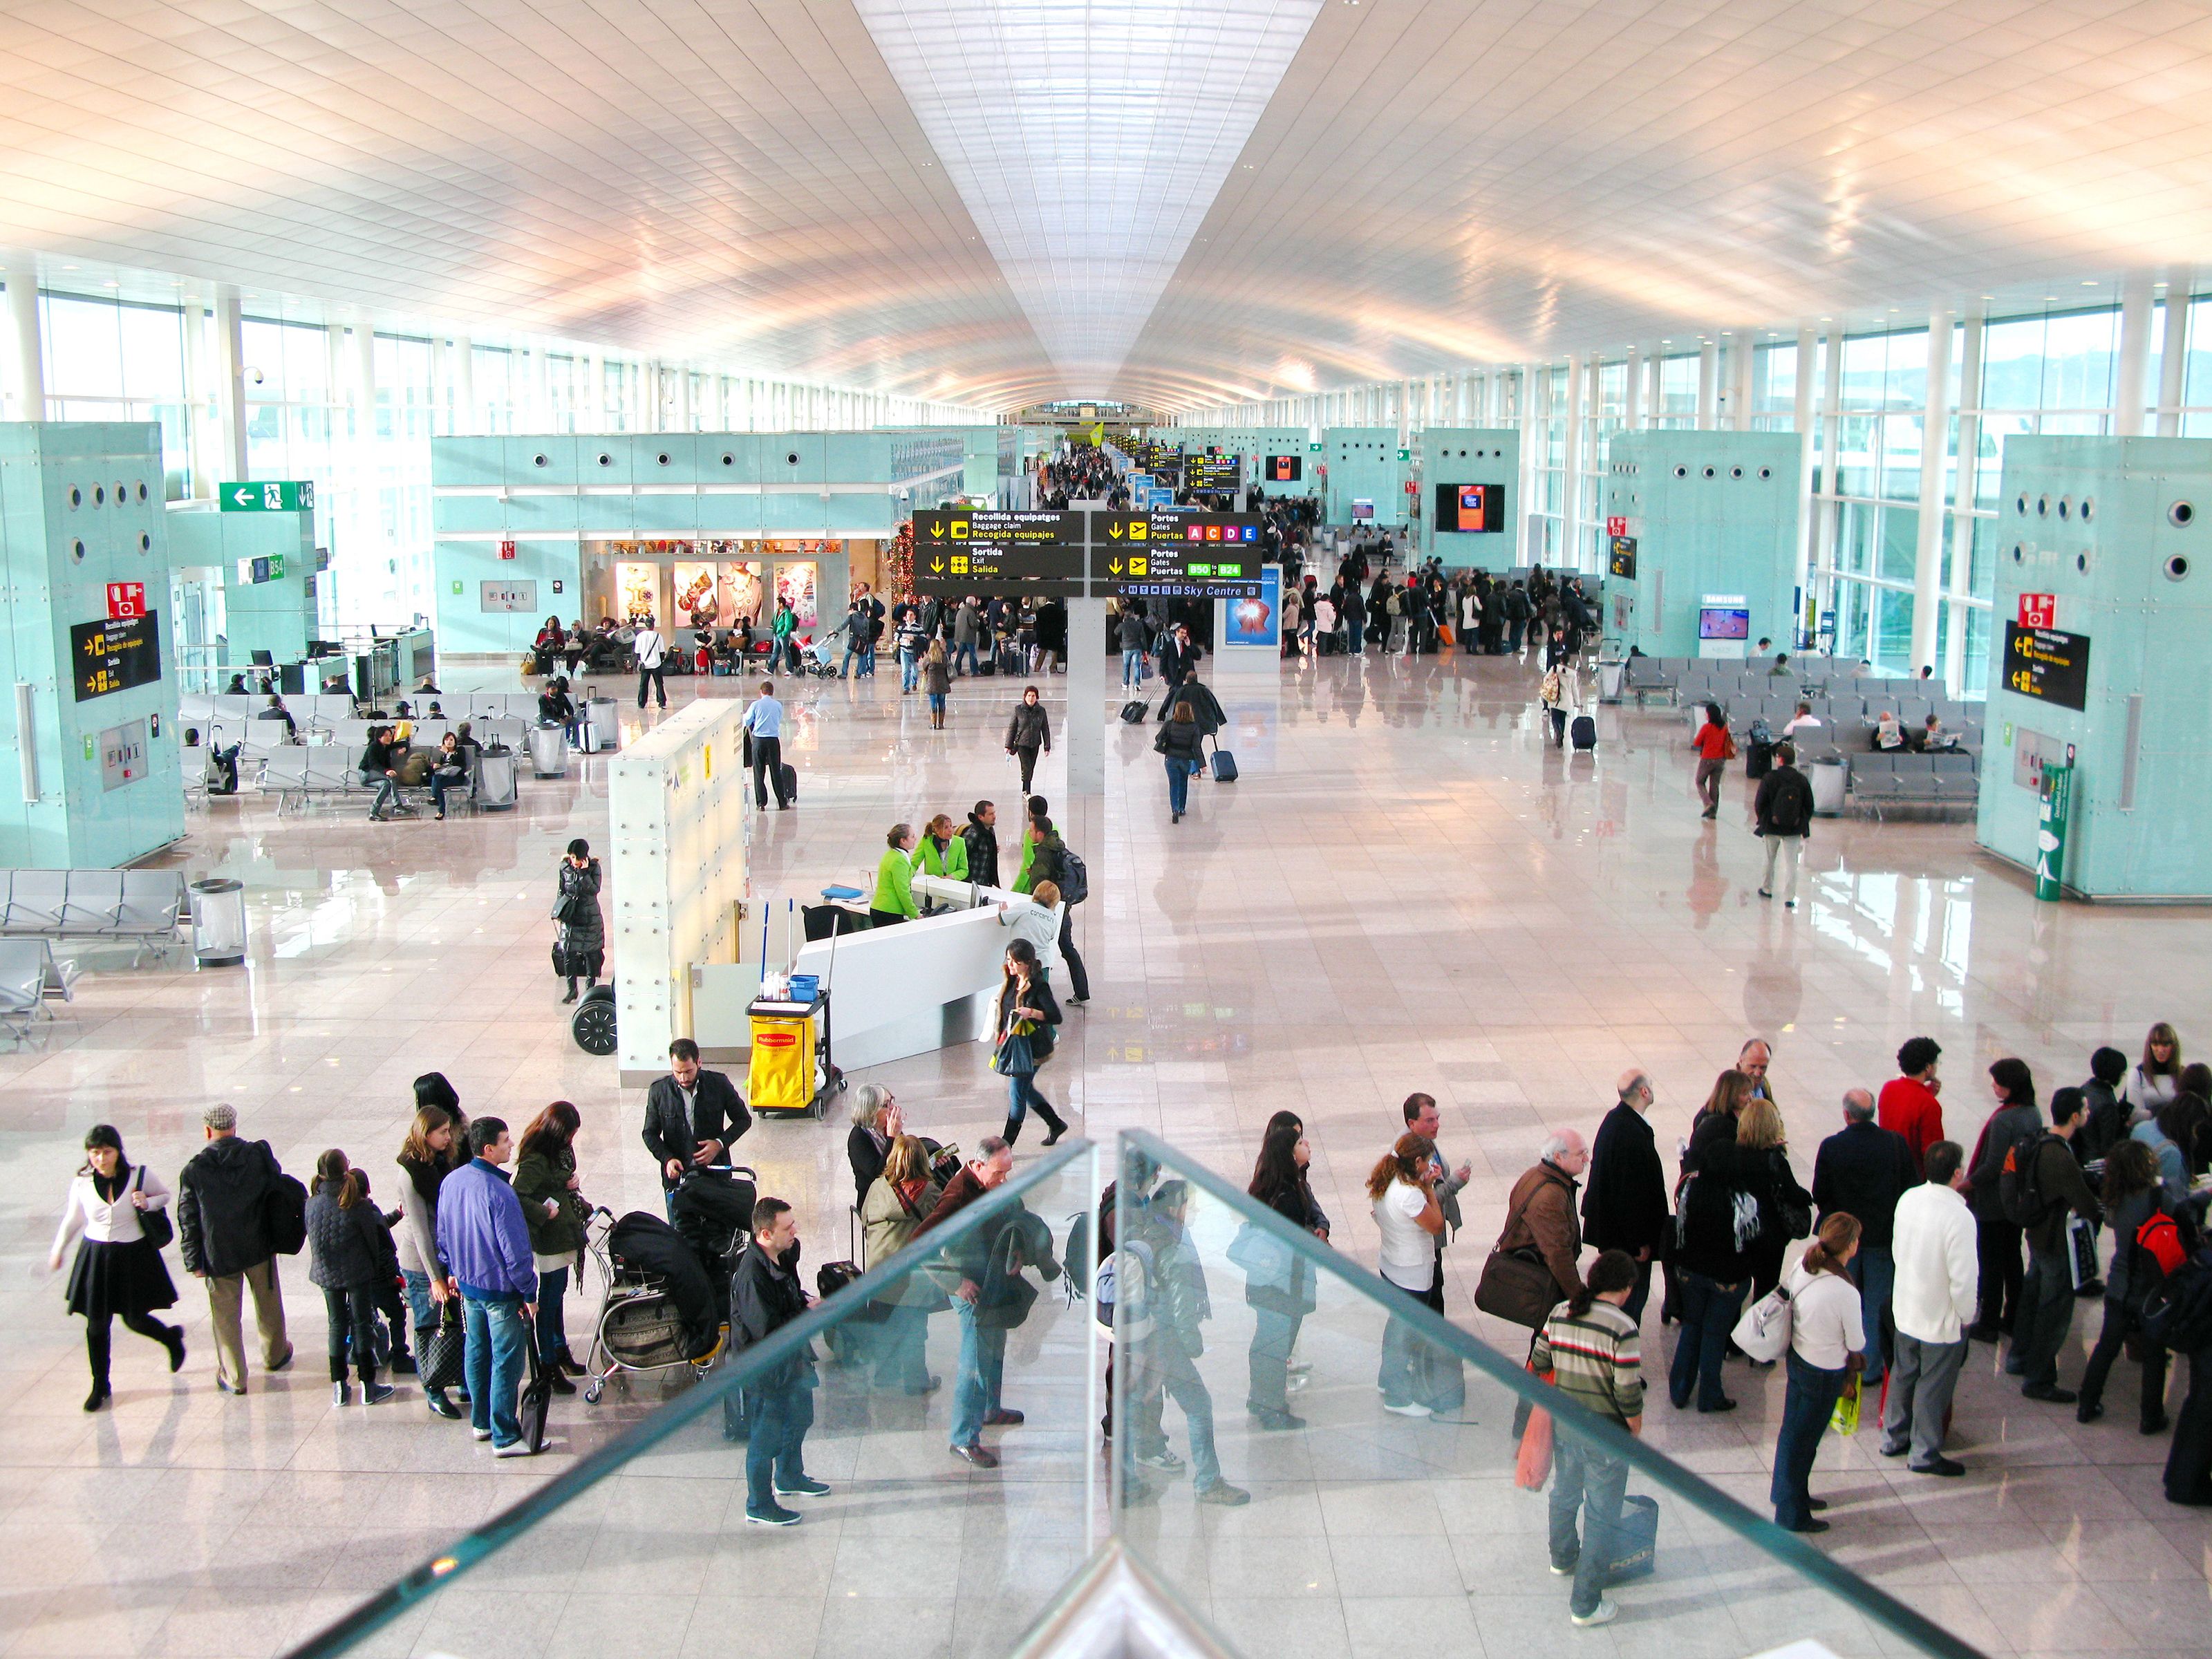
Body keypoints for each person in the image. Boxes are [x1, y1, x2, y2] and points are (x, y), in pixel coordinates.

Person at [1534, 1250, 1644, 1628]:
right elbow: (1628, 1392)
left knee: (1564, 1493)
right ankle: (1585, 1604)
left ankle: (1562, 1558)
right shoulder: (1623, 1327)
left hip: (1565, 1424)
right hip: (1605, 1434)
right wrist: (1635, 1431)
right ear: (1627, 1288)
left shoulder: (1561, 1310)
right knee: (1601, 1514)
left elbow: (1541, 1360)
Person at [48, 1125, 185, 1411]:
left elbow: (164, 1195)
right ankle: (101, 1384)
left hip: (133, 1255)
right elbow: (73, 1220)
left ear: (118, 1151)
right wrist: (58, 1251)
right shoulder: (82, 1183)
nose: (100, 1158)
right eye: (95, 1153)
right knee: (97, 1325)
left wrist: (146, 1202)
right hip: (96, 1256)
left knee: (135, 1319)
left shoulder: (139, 1175)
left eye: (106, 1152)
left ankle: (170, 1339)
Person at [1130, 1180, 1250, 1506]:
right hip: (1165, 1341)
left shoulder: (1147, 1230)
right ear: (1175, 1208)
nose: (1193, 1210)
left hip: (1141, 1336)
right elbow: (1182, 1304)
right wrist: (1192, 1344)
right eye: (1190, 1205)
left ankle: (1130, 1473)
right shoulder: (1172, 1246)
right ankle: (1208, 1482)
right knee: (1199, 1406)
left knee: (1135, 1402)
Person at [435, 1116, 539, 1456]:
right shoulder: (500, 1191)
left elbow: (444, 1233)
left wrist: (452, 1268)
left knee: (476, 1351)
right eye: (506, 1141)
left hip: (468, 1285)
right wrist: (529, 1291)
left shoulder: (452, 1181)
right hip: (499, 1290)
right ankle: (505, 1435)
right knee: (506, 1360)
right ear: (488, 1149)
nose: (512, 1146)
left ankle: (481, 1422)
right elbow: (515, 1250)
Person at [176, 1102, 292, 1396]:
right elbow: (275, 1188)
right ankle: (275, 1354)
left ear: (207, 1130)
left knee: (226, 1317)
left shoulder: (195, 1171)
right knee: (269, 1304)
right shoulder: (256, 1156)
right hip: (259, 1245)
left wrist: (194, 1261)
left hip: (219, 1254)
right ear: (234, 1127)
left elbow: (188, 1218)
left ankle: (235, 1375)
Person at [915, 1138, 1018, 1468]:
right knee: (974, 1361)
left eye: (1007, 1174)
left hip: (991, 1280)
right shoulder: (958, 1195)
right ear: (977, 1165)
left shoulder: (989, 1185)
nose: (1004, 1181)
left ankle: (990, 1408)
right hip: (971, 1290)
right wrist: (955, 1283)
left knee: (995, 1345)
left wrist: (1017, 1249)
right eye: (999, 1174)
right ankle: (963, 1439)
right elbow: (920, 1243)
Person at [730, 1197, 828, 1524]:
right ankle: (758, 1504)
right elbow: (767, 1330)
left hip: (792, 1361)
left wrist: (801, 1301)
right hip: (767, 1370)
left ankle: (789, 1475)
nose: (795, 1232)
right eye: (787, 1228)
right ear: (765, 1234)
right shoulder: (751, 1277)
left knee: (800, 1417)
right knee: (765, 1437)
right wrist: (804, 1312)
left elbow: (787, 1297)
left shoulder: (780, 1258)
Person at [1882, 1139, 1977, 1475]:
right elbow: (1963, 1279)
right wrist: (1967, 1316)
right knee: (1932, 1384)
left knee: (1903, 1373)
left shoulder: (1909, 1199)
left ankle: (1893, 1437)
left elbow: (1897, 1249)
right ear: (1957, 1172)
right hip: (1940, 1318)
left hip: (1906, 1306)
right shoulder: (1959, 1216)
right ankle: (1923, 1453)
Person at [1812, 1089, 1915, 1388]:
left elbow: (1821, 1193)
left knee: (1844, 1298)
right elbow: (1910, 1186)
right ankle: (1870, 1367)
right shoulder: (1895, 1144)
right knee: (1877, 1301)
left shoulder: (1832, 1147)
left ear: (1847, 1114)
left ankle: (1841, 1360)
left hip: (1844, 1240)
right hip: (1884, 1236)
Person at [1773, 1214, 1865, 1532]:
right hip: (1825, 1373)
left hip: (1798, 1359)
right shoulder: (1845, 1292)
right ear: (1851, 1246)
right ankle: (1791, 1513)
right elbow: (1856, 1342)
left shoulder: (1804, 1264)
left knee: (1791, 1432)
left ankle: (1789, 1493)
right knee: (1805, 1441)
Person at [2075, 1138, 2173, 1432]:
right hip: (2151, 1288)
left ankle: (2087, 1404)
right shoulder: (2158, 1197)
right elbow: (2177, 1218)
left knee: (2106, 1347)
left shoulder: (2116, 1198)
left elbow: (2113, 1224)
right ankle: (2150, 1416)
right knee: (2154, 1354)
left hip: (2119, 1284)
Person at [2012, 1087, 2102, 1403]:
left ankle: (2019, 1357)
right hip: (2055, 1242)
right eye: (2086, 1109)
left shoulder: (2040, 1140)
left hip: (2037, 1236)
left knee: (2032, 1296)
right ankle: (2038, 1379)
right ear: (2075, 1116)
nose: (2088, 1114)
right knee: (2054, 1311)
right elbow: (2086, 1204)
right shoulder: (2060, 1156)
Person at [1671, 1112, 1759, 1412]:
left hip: (1690, 1272)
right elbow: (1750, 1239)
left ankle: (1680, 1389)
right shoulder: (1742, 1200)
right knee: (1714, 1335)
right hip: (1727, 1279)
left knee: (1692, 1327)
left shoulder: (1690, 1190)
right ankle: (1710, 1395)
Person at [1244, 1120, 1326, 1430]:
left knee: (1269, 1342)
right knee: (1275, 1345)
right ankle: (1271, 1406)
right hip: (1282, 1282)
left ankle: (1262, 1397)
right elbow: (1289, 1235)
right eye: (1301, 1142)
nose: (1308, 1146)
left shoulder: (1287, 1181)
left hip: (1272, 1281)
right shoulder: (1286, 1191)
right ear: (1290, 1154)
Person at [306, 1150, 398, 1406]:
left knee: (336, 1325)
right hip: (358, 1272)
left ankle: (339, 1387)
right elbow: (372, 1241)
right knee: (361, 1324)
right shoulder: (357, 1203)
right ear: (345, 1169)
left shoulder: (311, 1203)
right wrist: (372, 1266)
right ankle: (369, 1386)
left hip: (327, 1274)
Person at [1369, 1132, 1451, 1416]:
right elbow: (1437, 1225)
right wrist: (1429, 1189)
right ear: (1417, 1161)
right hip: (1412, 1272)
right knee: (1407, 1333)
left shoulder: (1385, 1182)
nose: (1429, 1167)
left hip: (1390, 1264)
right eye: (1427, 1162)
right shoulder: (1411, 1195)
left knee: (1396, 1326)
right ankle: (1398, 1396)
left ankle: (1387, 1379)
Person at [396, 1100, 467, 1420]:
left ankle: (459, 1375)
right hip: (421, 1262)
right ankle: (433, 1387)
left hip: (444, 1254)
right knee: (429, 1324)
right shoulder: (411, 1172)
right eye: (441, 1133)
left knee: (452, 1319)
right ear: (425, 1134)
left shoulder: (439, 1160)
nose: (448, 1138)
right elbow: (421, 1230)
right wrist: (436, 1279)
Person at [860, 1135, 945, 1395]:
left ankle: (884, 1375)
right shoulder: (929, 1192)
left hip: (879, 1270)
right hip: (910, 1276)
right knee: (915, 1330)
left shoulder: (877, 1187)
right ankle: (916, 1382)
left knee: (884, 1326)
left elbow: (864, 1218)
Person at [513, 1102, 588, 1395]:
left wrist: (571, 1184)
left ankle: (559, 1350)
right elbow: (518, 1195)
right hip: (550, 1238)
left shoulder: (558, 1150)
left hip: (564, 1234)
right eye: (570, 1134)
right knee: (549, 1301)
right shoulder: (536, 1160)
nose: (572, 1140)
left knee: (558, 1296)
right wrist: (545, 1212)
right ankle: (548, 1363)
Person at [1582, 1069, 1667, 1323]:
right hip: (1626, 1242)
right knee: (1629, 1304)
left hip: (1614, 1235)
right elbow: (1630, 1195)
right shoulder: (1631, 1133)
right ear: (1644, 1091)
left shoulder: (1616, 1121)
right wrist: (1637, 1243)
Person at [1967, 1058, 2041, 1340]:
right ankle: (2014, 1317)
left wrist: (1967, 1184)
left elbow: (1992, 1165)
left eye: (1998, 1082)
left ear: (2010, 1087)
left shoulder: (2003, 1120)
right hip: (2016, 1199)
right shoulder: (2032, 1113)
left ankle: (1988, 1322)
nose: (1994, 1086)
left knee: (1991, 1262)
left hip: (1992, 1202)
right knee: (2012, 1257)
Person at [642, 1041, 750, 1211]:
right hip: (678, 1177)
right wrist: (667, 1159)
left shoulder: (719, 1084)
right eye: (677, 1072)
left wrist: (719, 1144)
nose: (683, 1078)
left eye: (688, 1071)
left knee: (718, 1229)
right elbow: (649, 1133)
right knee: (679, 1231)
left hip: (715, 1173)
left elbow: (743, 1119)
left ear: (699, 1063)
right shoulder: (659, 1091)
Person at [1498, 1132, 1591, 1311]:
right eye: (1580, 1154)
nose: (1586, 1159)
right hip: (1541, 1278)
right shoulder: (1550, 1195)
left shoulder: (1535, 1174)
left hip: (1539, 1273)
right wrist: (1578, 1297)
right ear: (1558, 1157)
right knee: (1547, 1334)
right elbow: (1557, 1252)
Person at [993, 939, 1068, 1147]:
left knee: (1017, 1094)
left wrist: (1032, 1013)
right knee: (1026, 1091)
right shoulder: (1011, 979)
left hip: (1032, 1049)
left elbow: (1056, 1016)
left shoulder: (1039, 986)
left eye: (1015, 962)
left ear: (1027, 962)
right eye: (1008, 960)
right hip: (1013, 1044)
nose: (1010, 965)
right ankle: (1055, 1124)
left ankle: (1006, 1144)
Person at [1752, 741, 1816, 908]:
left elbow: (1759, 803)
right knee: (1791, 863)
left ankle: (1767, 888)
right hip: (1793, 829)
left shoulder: (1770, 777)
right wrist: (1801, 821)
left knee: (1769, 859)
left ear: (1779, 759)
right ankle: (1790, 897)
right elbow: (1809, 805)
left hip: (1772, 826)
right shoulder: (1801, 780)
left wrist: (1764, 820)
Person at [1879, 1037, 1946, 1177]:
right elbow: (1932, 1151)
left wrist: (1928, 1092)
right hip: (1913, 1176)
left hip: (1888, 1168)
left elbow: (1906, 1104)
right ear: (1928, 1067)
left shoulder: (1889, 1088)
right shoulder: (1929, 1104)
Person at [552, 838, 603, 1004]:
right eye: (572, 857)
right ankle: (572, 989)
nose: (574, 861)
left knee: (591, 954)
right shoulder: (565, 867)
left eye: (577, 858)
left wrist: (583, 873)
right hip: (571, 917)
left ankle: (590, 989)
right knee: (568, 953)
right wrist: (559, 909)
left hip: (589, 917)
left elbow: (594, 890)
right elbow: (562, 889)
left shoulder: (594, 868)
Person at [847, 1085, 903, 1210]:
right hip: (874, 1201)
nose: (892, 1108)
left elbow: (905, 1157)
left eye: (892, 1101)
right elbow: (878, 1173)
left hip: (897, 1189)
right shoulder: (858, 1138)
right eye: (886, 1105)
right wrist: (892, 1138)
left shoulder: (885, 1128)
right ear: (871, 1111)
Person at [741, 679, 791, 810]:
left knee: (759, 772)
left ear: (761, 692)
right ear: (772, 692)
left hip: (758, 741)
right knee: (776, 771)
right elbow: (779, 719)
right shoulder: (778, 705)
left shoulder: (755, 705)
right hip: (773, 741)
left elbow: (747, 720)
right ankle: (782, 802)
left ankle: (761, 803)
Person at [2124, 1023, 2185, 1123]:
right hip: (2146, 1130)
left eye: (2166, 1045)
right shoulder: (2137, 1074)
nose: (2160, 1050)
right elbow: (2135, 1115)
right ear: (2150, 1046)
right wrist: (2162, 1111)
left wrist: (2151, 1113)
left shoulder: (2183, 1074)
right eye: (2155, 1044)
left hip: (2176, 1132)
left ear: (2174, 1047)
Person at [1156, 702, 1204, 823]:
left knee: (1173, 785)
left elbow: (1158, 738)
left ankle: (1175, 809)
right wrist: (1202, 764)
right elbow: (1197, 747)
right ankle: (1182, 808)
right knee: (1183, 783)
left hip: (1171, 759)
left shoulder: (1169, 725)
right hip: (1185, 759)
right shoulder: (1194, 727)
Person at [1004, 685, 1051, 795]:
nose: (1031, 698)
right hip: (1022, 744)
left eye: (1033, 696)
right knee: (1027, 767)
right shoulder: (1018, 710)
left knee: (1031, 767)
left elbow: (1045, 728)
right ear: (1025, 697)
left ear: (1037, 697)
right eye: (1029, 696)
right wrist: (1008, 745)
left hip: (1035, 744)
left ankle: (1025, 787)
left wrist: (1047, 746)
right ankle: (1027, 790)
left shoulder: (1041, 711)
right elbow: (1012, 728)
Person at [872, 823, 921, 927]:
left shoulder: (890, 854)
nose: (915, 838)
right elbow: (903, 890)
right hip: (889, 911)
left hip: (879, 908)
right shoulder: (900, 860)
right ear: (903, 840)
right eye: (912, 836)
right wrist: (915, 914)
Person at [1690, 703, 1730, 819]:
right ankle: (1713, 813)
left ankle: (1708, 803)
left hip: (1708, 759)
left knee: (1699, 781)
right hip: (1721, 759)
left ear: (1709, 714)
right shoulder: (1725, 727)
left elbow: (1696, 743)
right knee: (1715, 785)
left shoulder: (1707, 728)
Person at [361, 724, 404, 821]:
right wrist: (387, 771)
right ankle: (397, 805)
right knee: (391, 776)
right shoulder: (373, 747)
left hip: (375, 776)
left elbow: (404, 743)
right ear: (379, 737)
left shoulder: (387, 747)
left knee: (385, 784)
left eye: (390, 735)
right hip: (367, 774)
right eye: (386, 735)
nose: (389, 738)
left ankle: (374, 812)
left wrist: (405, 749)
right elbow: (373, 765)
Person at [912, 814, 968, 888]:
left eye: (951, 826)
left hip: (952, 886)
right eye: (946, 827)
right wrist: (908, 875)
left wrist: (951, 877)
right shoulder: (926, 841)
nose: (951, 830)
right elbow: (914, 863)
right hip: (932, 887)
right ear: (936, 830)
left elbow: (964, 870)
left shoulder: (960, 842)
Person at [428, 733, 469, 820]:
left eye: (451, 740)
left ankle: (435, 798)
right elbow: (442, 770)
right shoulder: (443, 757)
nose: (449, 742)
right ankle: (441, 811)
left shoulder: (460, 750)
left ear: (455, 741)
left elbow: (459, 762)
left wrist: (448, 752)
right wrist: (435, 766)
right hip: (445, 777)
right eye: (446, 740)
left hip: (456, 777)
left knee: (437, 782)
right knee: (437, 780)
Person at [962, 800, 1000, 890]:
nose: (994, 817)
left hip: (985, 884)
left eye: (994, 813)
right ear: (980, 817)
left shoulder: (989, 829)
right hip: (971, 885)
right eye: (990, 814)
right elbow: (960, 856)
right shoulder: (972, 834)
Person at [633, 616, 668, 709]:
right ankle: (662, 702)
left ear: (646, 625)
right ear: (653, 625)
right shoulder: (658, 636)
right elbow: (662, 651)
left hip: (645, 664)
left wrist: (640, 661)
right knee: (659, 684)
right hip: (656, 663)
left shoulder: (640, 636)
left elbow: (637, 652)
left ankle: (641, 703)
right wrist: (661, 661)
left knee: (643, 685)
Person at [923, 638, 952, 729]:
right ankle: (941, 724)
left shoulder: (929, 657)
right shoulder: (944, 656)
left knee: (933, 704)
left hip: (932, 685)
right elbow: (948, 666)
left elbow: (924, 667)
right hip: (943, 683)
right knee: (942, 703)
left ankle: (933, 724)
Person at [1539, 665, 1568, 747]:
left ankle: (1558, 732)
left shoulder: (1554, 669)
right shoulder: (1569, 672)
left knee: (1555, 718)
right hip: (1564, 699)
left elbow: (1546, 680)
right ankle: (1562, 734)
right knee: (1562, 719)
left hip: (1554, 697)